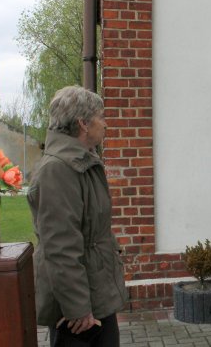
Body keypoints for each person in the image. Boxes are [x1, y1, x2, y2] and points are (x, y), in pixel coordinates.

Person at [27, 86, 126, 347]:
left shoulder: (83, 161)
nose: (105, 124)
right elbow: (60, 246)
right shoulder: (58, 170)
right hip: (78, 311)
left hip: (95, 294)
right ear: (83, 123)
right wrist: (78, 308)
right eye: (101, 117)